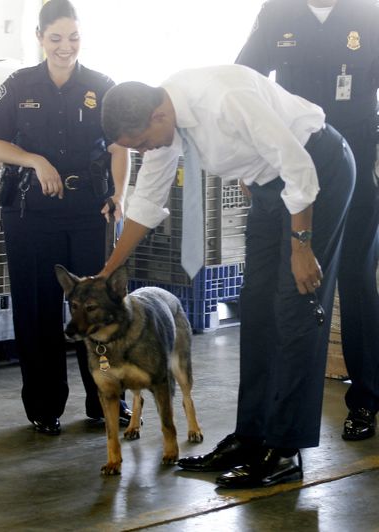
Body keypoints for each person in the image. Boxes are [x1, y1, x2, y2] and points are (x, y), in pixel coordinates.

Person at [99, 64, 355, 488]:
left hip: (316, 172)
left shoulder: (222, 99)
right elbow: (147, 200)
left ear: (158, 116)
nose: (144, 150)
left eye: (142, 143)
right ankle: (252, 436)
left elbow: (299, 167)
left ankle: (285, 450)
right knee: (256, 307)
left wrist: (302, 245)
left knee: (294, 308)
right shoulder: (161, 119)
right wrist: (109, 269)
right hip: (271, 184)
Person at [0, 0, 131, 435]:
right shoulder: (20, 84)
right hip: (30, 215)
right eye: (57, 38)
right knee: (36, 310)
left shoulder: (103, 86)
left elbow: (121, 148)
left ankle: (104, 401)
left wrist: (118, 195)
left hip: (90, 213)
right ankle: (45, 406)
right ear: (40, 38)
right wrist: (34, 161)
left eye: (74, 37)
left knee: (100, 310)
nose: (66, 47)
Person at [236, 0, 379, 441]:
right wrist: (247, 158)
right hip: (289, 163)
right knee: (286, 286)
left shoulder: (370, 15)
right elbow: (244, 80)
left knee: (355, 279)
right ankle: (277, 413)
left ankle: (367, 398)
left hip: (354, 162)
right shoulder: (277, 13)